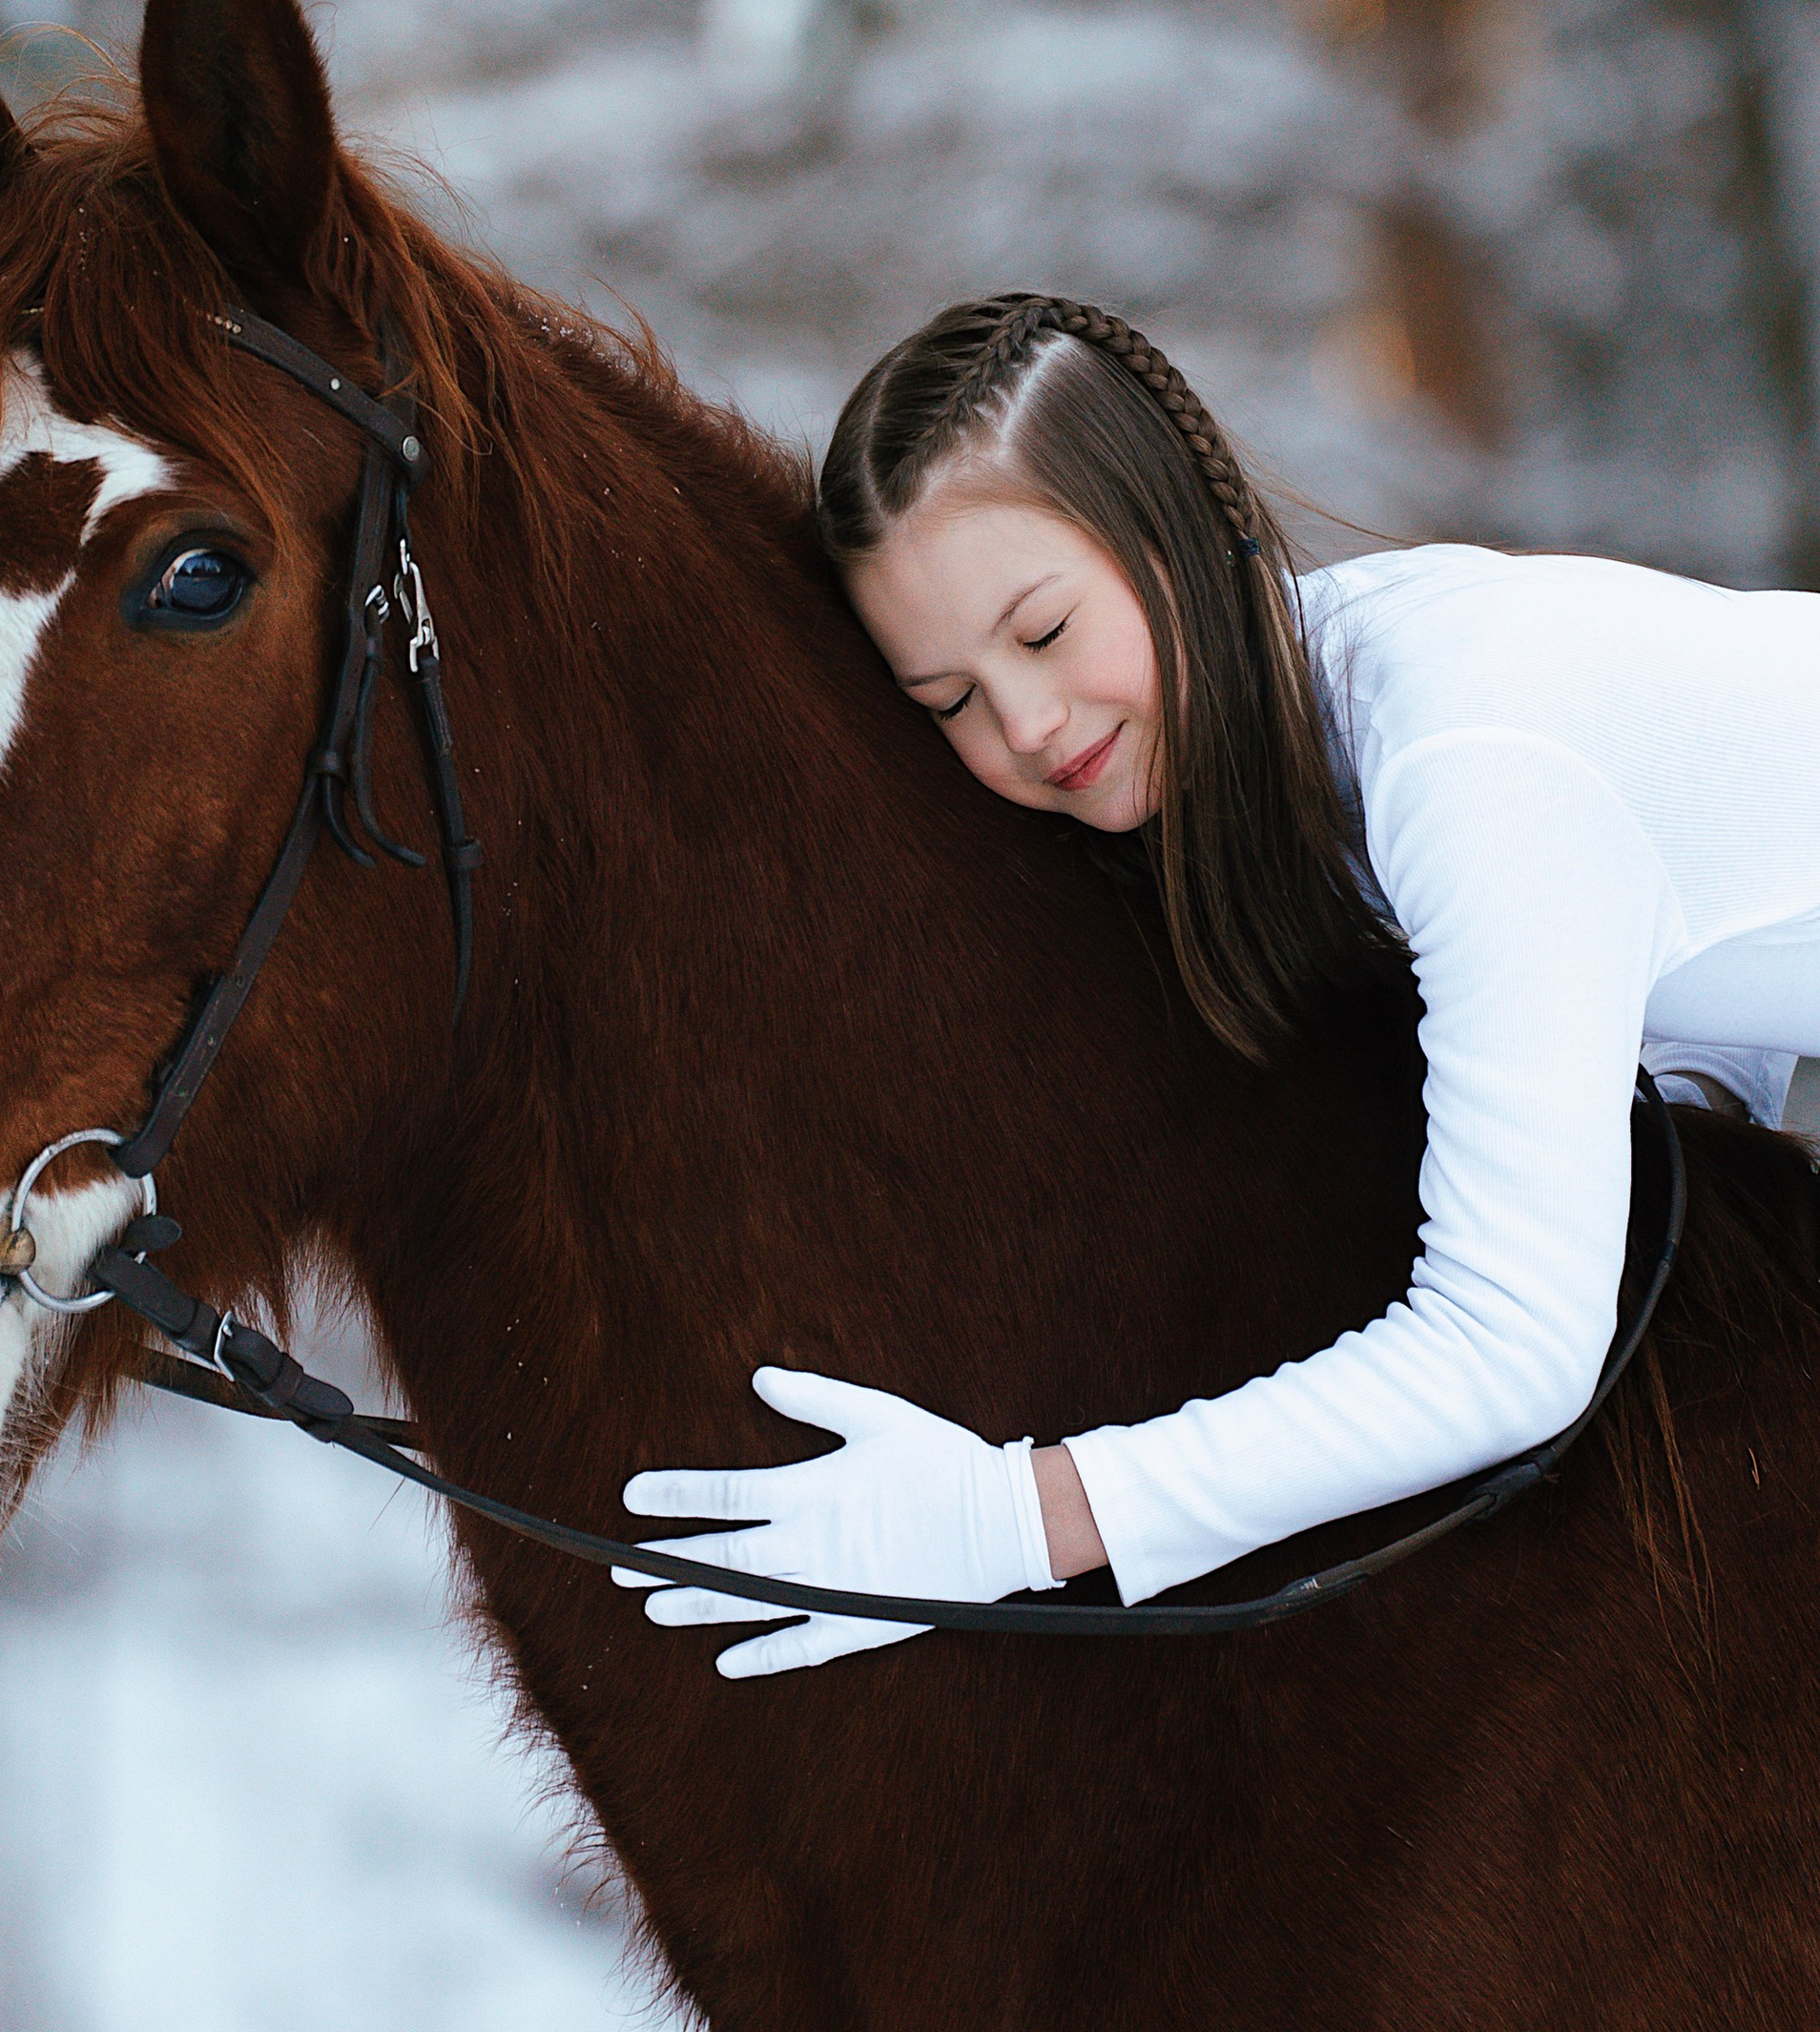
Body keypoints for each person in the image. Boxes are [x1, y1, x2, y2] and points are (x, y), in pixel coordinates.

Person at [618, 292, 1818, 1675]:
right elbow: (1707, 958)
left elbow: (1514, 1346)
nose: (1026, 725)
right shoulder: (1314, 739)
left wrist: (1020, 1517)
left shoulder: (1460, 749)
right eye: (950, 700)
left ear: (1171, 527)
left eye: (1043, 630)